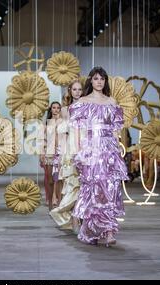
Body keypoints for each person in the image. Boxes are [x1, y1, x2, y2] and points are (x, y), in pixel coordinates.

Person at [69, 67, 129, 247]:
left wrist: (117, 148)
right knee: (93, 190)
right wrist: (78, 151)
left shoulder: (112, 102)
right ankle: (91, 229)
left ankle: (109, 231)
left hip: (109, 150)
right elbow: (77, 129)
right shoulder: (83, 102)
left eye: (102, 78)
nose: (99, 81)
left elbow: (118, 129)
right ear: (91, 81)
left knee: (110, 188)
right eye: (96, 78)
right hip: (91, 150)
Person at [50, 80, 83, 233]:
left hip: (85, 147)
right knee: (73, 184)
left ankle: (80, 217)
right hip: (70, 149)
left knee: (84, 185)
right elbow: (61, 131)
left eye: (80, 89)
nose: (77, 92)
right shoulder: (65, 110)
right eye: (74, 89)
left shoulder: (86, 107)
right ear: (70, 91)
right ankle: (73, 217)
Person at [40, 101, 62, 210]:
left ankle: (57, 202)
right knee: (50, 180)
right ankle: (50, 202)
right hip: (49, 153)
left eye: (58, 108)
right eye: (54, 107)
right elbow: (42, 139)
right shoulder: (46, 123)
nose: (56, 109)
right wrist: (41, 153)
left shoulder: (63, 122)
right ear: (51, 109)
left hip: (60, 152)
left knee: (58, 178)